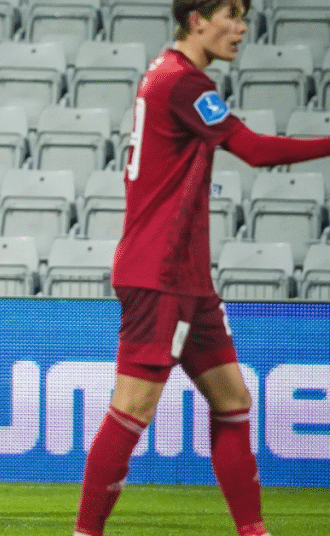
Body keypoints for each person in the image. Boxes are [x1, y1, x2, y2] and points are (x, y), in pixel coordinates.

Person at [74, 1, 330, 535]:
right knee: (132, 410)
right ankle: (86, 533)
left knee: (233, 400)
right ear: (196, 19)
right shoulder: (183, 83)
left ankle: (253, 531)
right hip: (159, 272)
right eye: (231, 16)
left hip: (186, 277)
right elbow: (255, 150)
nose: (240, 29)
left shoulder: (168, 77)